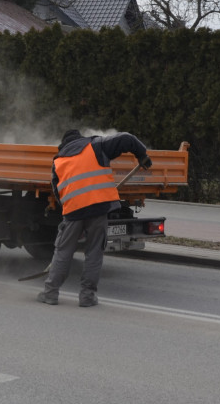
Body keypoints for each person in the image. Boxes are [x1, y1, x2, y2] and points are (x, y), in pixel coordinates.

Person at [37, 129, 151, 307]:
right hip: (99, 208)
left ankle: (50, 293)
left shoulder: (58, 162)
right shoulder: (96, 146)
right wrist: (142, 155)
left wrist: (71, 209)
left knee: (63, 252)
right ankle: (87, 297)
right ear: (79, 139)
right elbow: (127, 138)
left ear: (64, 144)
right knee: (94, 253)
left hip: (73, 212)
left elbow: (58, 193)